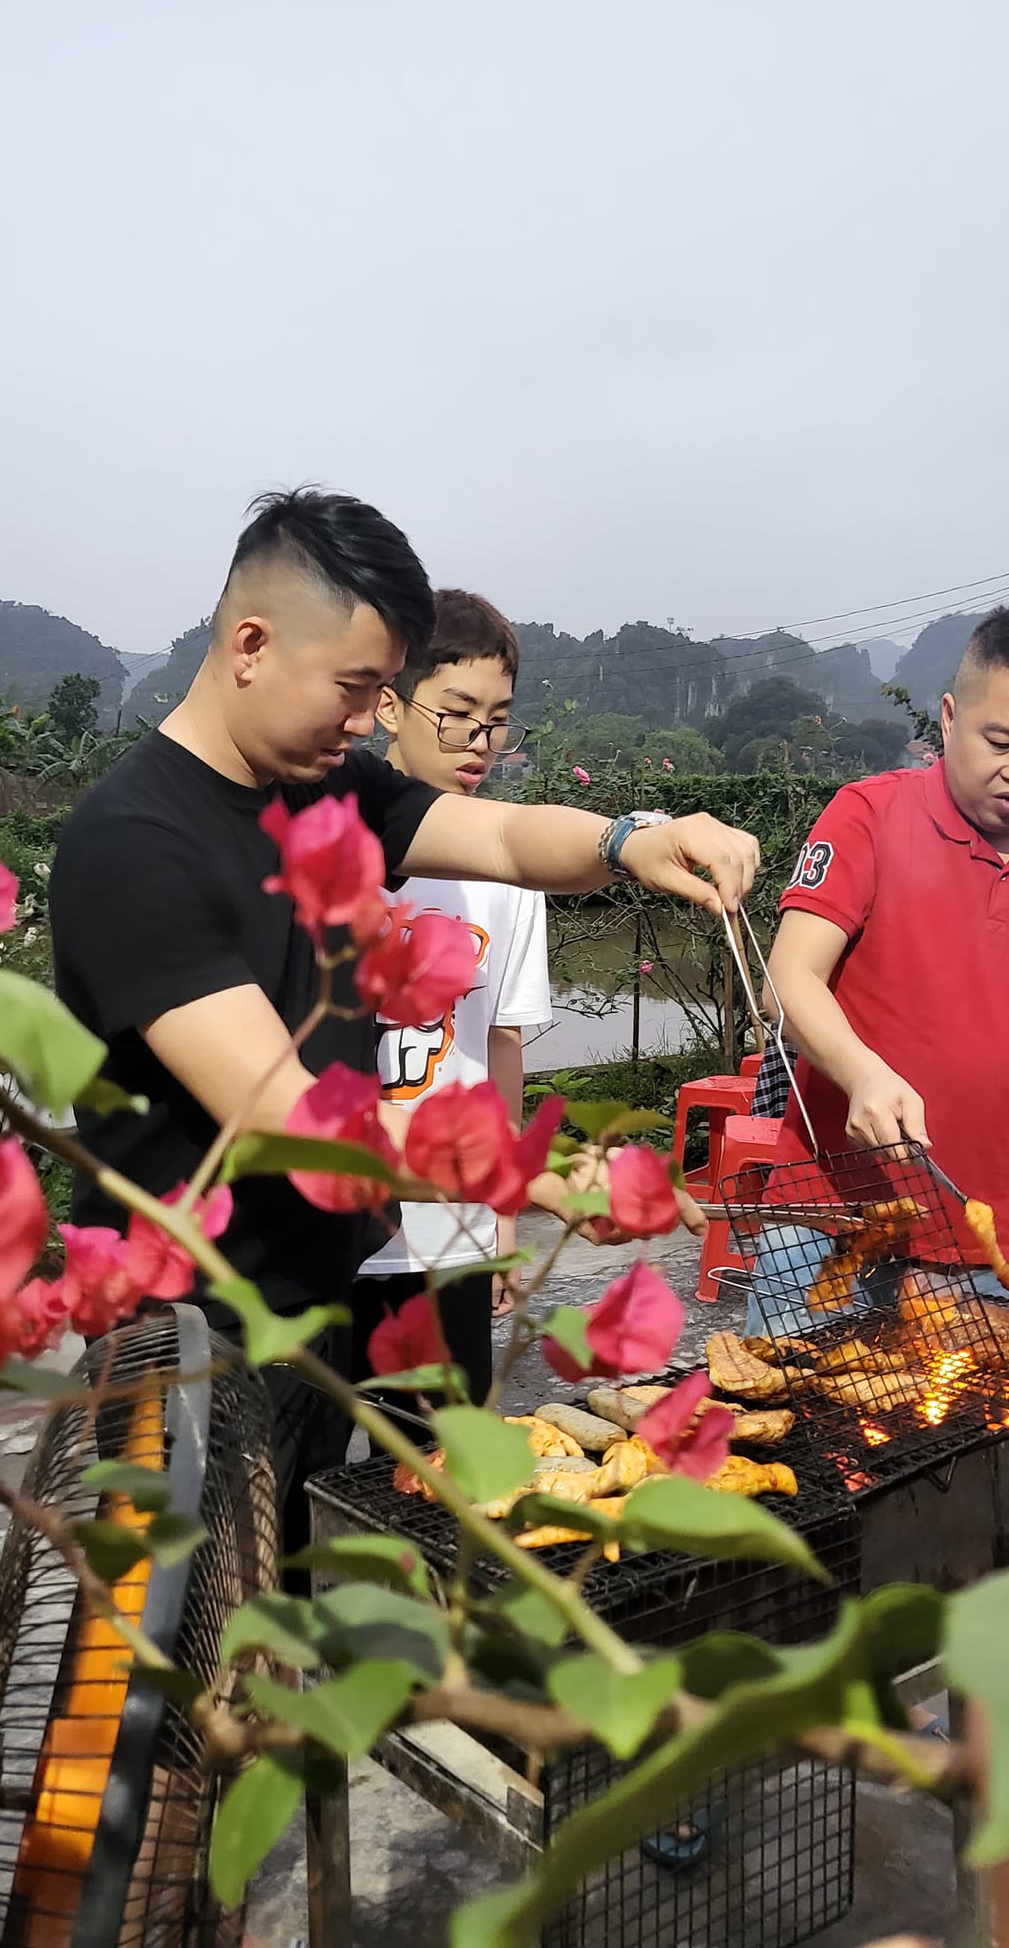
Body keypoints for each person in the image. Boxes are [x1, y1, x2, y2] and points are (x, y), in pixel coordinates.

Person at [50, 488, 757, 1551]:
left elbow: (511, 840)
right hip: (189, 1345)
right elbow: (287, 1117)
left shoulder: (327, 789)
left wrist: (631, 841)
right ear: (250, 643)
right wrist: (542, 1177)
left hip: (323, 1294)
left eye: (381, 689)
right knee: (181, 1656)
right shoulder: (133, 843)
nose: (362, 717)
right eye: (351, 686)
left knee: (330, 1585)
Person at [761, 602, 1009, 1315]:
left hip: (983, 1239)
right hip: (831, 1221)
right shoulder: (868, 817)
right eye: (1000, 740)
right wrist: (863, 1073)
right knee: (794, 1419)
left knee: (963, 1427)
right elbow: (786, 980)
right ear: (950, 718)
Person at [350, 590, 549, 1411]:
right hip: (340, 1212)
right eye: (457, 713)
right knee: (320, 1465)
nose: (479, 742)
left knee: (441, 1465)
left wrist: (504, 1209)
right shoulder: (337, 844)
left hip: (450, 1220)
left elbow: (502, 1045)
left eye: (497, 720)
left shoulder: (509, 872)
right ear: (389, 705)